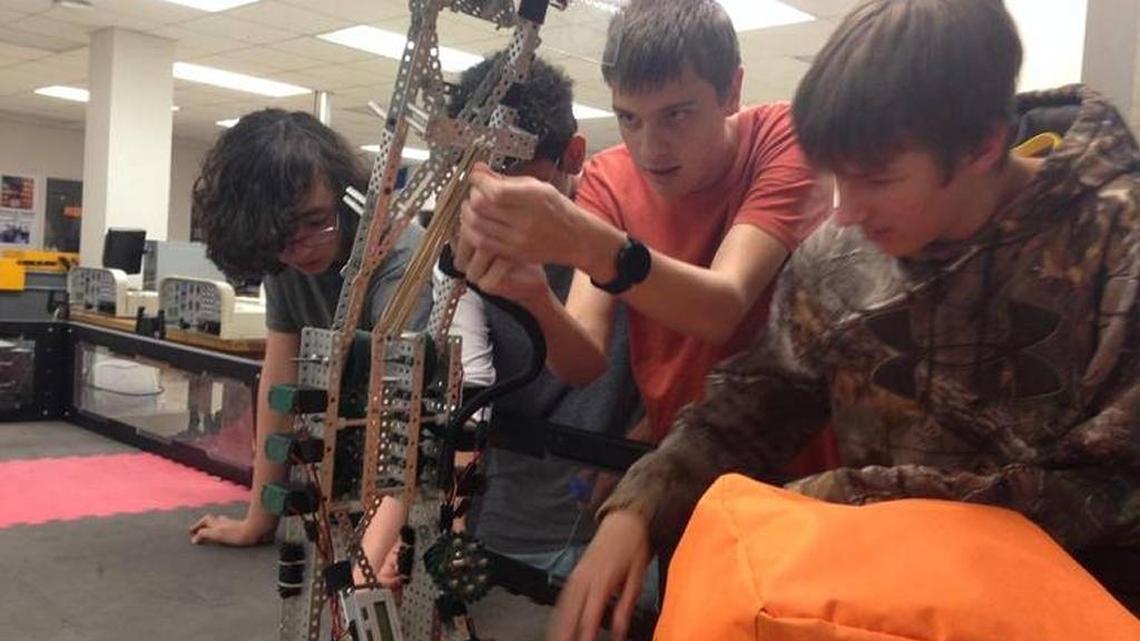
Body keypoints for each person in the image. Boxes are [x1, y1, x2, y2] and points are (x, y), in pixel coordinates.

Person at [549, 0, 1140, 638]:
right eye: (837, 181)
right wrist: (639, 506)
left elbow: (1109, 492)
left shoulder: (1118, 249)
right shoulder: (840, 259)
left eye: (878, 181)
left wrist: (833, 504)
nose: (849, 214)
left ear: (981, 146)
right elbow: (754, 405)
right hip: (864, 608)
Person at [455, 0, 830, 450]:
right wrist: (534, 297)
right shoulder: (608, 179)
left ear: (732, 90)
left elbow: (722, 307)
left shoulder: (784, 137)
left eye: (677, 114)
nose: (651, 149)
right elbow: (584, 364)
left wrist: (586, 243)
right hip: (680, 450)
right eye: (628, 118)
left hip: (795, 457)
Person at [188, 109, 431, 546]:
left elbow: (399, 413)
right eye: (283, 237)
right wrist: (259, 520)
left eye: (318, 222)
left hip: (406, 477)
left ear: (347, 195)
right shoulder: (284, 262)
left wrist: (376, 551)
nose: (303, 249)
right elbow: (281, 382)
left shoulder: (399, 261)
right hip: (341, 486)